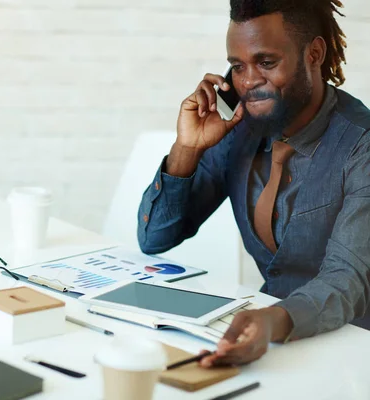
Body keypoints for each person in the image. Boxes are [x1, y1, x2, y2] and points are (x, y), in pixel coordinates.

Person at [137, 0, 370, 367]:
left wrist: (272, 321)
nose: (248, 82)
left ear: (314, 53)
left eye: (266, 63)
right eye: (237, 67)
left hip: (353, 349)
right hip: (274, 344)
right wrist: (187, 148)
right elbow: (155, 240)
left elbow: (348, 279)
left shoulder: (362, 144)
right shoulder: (238, 133)